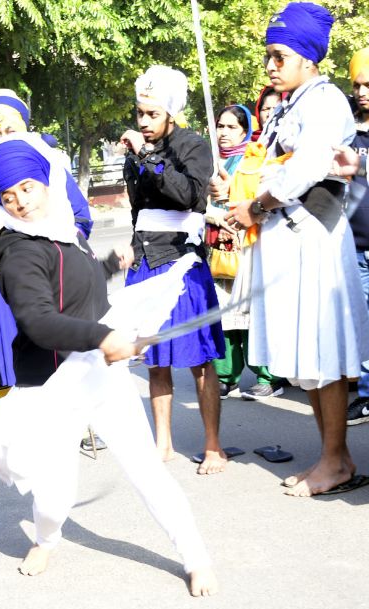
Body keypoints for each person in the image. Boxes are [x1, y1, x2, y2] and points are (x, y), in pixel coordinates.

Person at [0, 136, 218, 597]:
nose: (20, 203)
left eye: (27, 189)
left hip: (100, 373)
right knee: (53, 494)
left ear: (48, 183)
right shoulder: (16, 252)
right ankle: (46, 540)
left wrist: (109, 265)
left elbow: (77, 286)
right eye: (8, 197)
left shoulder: (66, 232)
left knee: (146, 469)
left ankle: (195, 557)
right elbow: (38, 320)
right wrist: (102, 336)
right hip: (51, 383)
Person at [226, 3, 369, 496]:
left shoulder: (325, 102)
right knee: (307, 356)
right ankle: (331, 458)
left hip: (314, 240)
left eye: (278, 55)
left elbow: (306, 168)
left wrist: (257, 205)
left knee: (322, 351)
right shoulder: (292, 102)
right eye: (268, 55)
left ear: (308, 58)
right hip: (288, 239)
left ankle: (336, 461)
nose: (270, 65)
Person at [0, 89, 93, 405]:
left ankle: (74, 422)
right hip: (0, 287)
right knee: (5, 364)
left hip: (52, 280)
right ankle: (10, 435)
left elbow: (81, 218)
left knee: (59, 355)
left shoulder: (50, 167)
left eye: (10, 131)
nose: (2, 138)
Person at [120, 66, 227, 475]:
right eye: (139, 113)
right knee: (155, 359)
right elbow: (138, 211)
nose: (143, 122)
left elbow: (187, 196)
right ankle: (162, 442)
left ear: (169, 114)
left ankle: (213, 446)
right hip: (146, 263)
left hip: (183, 261)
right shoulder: (136, 151)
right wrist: (132, 248)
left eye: (151, 114)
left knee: (200, 358)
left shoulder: (193, 145)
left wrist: (146, 156)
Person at [205, 105, 284, 400]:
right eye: (219, 127)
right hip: (217, 248)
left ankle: (268, 376)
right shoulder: (209, 163)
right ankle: (226, 376)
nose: (223, 133)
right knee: (224, 314)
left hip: (248, 244)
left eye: (230, 127)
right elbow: (199, 204)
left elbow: (262, 199)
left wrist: (238, 219)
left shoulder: (254, 160)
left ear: (245, 130)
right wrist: (215, 218)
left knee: (252, 314)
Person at [344, 47, 369, 426]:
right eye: (357, 85)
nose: (362, 92)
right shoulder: (346, 130)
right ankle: (366, 395)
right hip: (356, 247)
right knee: (364, 324)